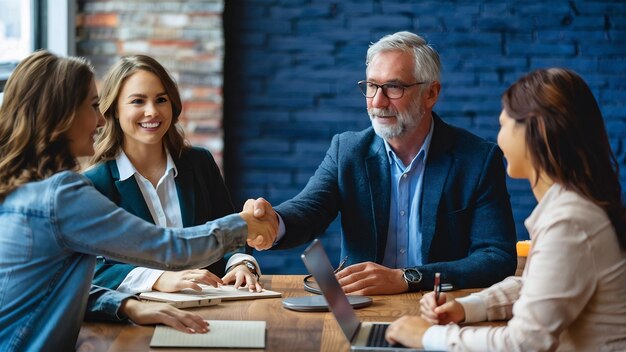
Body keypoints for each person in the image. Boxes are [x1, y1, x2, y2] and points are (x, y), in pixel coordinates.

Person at [0, 50, 276, 351]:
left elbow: (51, 286)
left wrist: (126, 306)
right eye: (93, 106)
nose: (99, 120)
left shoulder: (21, 190)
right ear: (63, 115)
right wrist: (242, 224)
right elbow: (170, 248)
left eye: (161, 99)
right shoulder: (62, 195)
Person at [253, 31, 517, 294]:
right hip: (363, 308)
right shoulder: (348, 150)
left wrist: (407, 278)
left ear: (431, 93)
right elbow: (309, 209)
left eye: (393, 87)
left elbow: (497, 257)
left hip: (440, 312)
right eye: (371, 86)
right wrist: (273, 222)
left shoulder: (477, 159)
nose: (377, 102)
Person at [385, 68, 626, 351]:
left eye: (504, 125)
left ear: (537, 130)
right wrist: (466, 307)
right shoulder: (574, 206)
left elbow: (523, 343)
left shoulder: (570, 221)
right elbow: (538, 286)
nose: (498, 139)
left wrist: (425, 337)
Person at [83, 55, 263, 327]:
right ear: (114, 110)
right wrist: (158, 278)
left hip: (214, 311)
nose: (152, 112)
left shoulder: (200, 163)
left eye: (161, 99)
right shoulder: (96, 182)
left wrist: (239, 264)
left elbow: (231, 237)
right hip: (138, 322)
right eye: (137, 101)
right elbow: (91, 270)